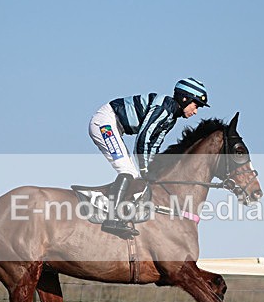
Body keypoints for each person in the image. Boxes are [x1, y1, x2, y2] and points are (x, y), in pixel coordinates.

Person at [88, 78, 209, 238]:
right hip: (105, 122)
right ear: (184, 98)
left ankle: (120, 213)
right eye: (196, 105)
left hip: (115, 126)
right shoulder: (164, 108)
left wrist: (152, 169)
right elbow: (143, 137)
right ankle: (112, 217)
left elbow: (154, 144)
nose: (196, 111)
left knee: (134, 174)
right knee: (128, 171)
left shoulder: (171, 117)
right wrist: (146, 169)